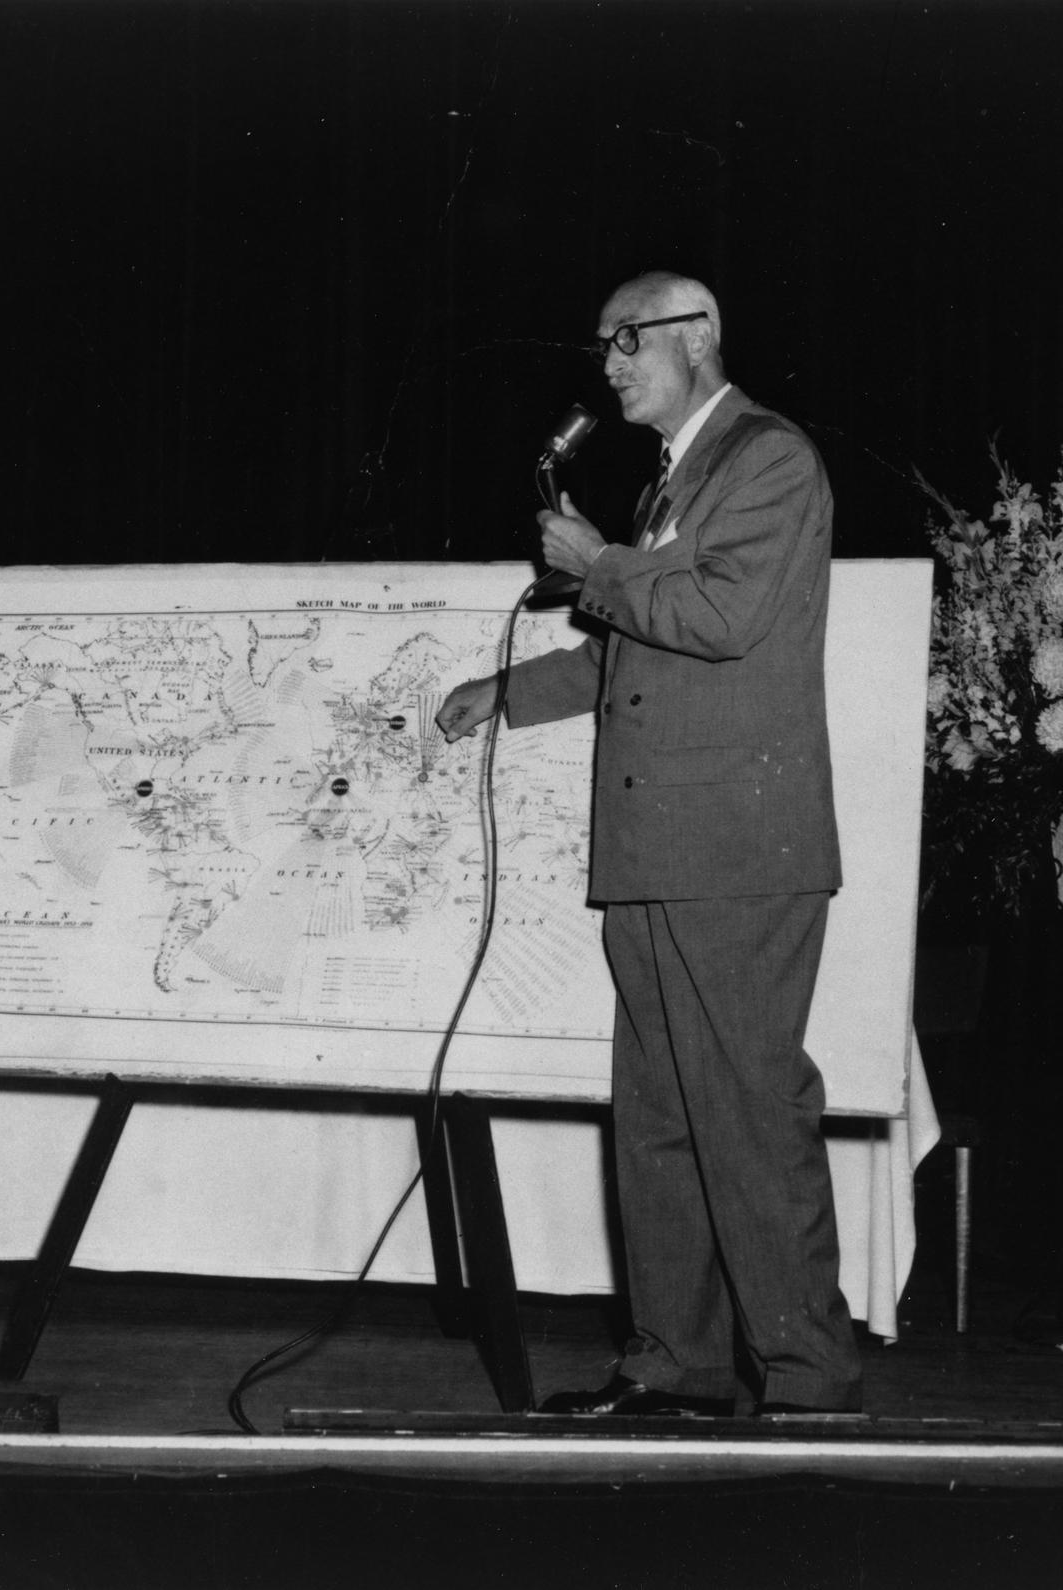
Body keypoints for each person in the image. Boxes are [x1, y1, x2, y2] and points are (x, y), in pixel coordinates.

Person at [435, 271, 861, 1416]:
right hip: (659, 844)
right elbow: (643, 649)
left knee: (748, 1110)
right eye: (604, 345)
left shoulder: (768, 459)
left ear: (700, 335)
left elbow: (720, 618)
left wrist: (597, 568)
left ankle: (809, 1375)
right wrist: (510, 689)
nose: (611, 363)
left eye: (629, 340)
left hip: (734, 847)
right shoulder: (677, 481)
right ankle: (673, 1360)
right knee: (662, 1116)